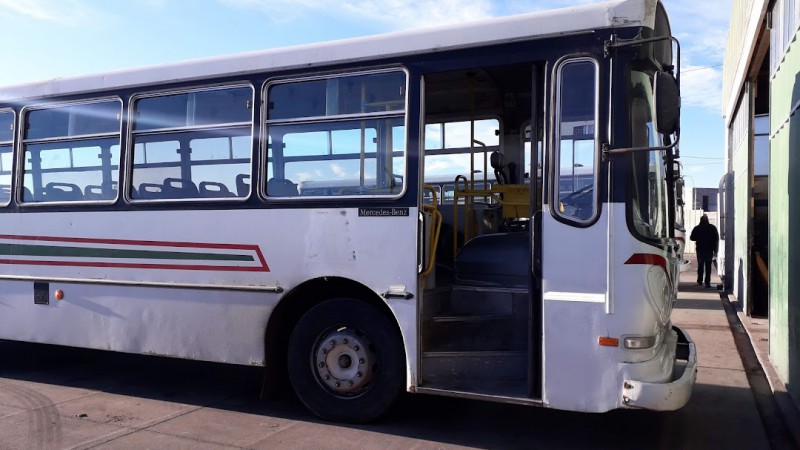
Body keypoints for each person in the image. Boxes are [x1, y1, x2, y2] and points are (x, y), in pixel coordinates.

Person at [690, 214, 719, 288]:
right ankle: (707, 282)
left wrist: (699, 237)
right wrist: (716, 250)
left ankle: (700, 280)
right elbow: (716, 239)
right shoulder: (712, 228)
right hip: (709, 250)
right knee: (708, 267)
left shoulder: (697, 228)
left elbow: (692, 238)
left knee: (700, 266)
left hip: (700, 250)